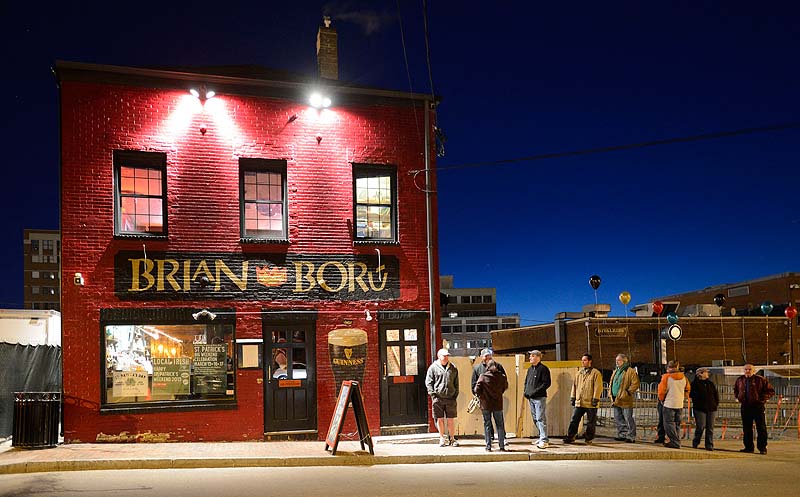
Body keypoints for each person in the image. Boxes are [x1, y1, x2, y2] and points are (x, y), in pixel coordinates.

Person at [733, 363, 775, 454]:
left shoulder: (760, 380)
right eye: (746, 369)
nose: (747, 371)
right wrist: (738, 397)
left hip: (758, 406)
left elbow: (770, 391)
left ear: (754, 371)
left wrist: (761, 399)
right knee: (747, 428)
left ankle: (762, 448)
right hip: (745, 406)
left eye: (749, 369)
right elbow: (736, 390)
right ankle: (748, 447)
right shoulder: (740, 380)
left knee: (761, 428)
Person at [563, 353, 603, 445]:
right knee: (574, 420)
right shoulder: (579, 373)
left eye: (584, 360)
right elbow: (575, 385)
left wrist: (595, 399)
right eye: (582, 360)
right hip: (580, 402)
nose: (583, 362)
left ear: (590, 361)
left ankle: (589, 438)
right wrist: (573, 397)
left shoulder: (596, 373)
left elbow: (598, 386)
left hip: (590, 402)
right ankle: (571, 436)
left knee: (591, 422)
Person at [425, 348, 460, 447]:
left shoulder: (453, 368)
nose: (446, 357)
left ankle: (452, 438)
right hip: (438, 398)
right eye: (444, 356)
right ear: (439, 356)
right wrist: (433, 395)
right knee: (439, 419)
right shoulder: (433, 368)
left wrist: (454, 395)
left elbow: (456, 383)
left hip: (450, 398)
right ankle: (441, 438)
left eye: (447, 356)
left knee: (450, 419)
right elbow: (429, 382)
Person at [474, 359, 509, 451]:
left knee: (487, 424)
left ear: (487, 367)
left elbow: (476, 389)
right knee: (500, 425)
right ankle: (501, 446)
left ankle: (488, 446)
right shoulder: (501, 377)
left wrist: (482, 395)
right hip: (497, 403)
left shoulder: (483, 376)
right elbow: (505, 386)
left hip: (485, 404)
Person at [658, 360, 690, 449]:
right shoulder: (684, 377)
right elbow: (687, 389)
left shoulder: (666, 377)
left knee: (668, 423)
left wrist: (662, 400)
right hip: (679, 404)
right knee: (676, 423)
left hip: (669, 404)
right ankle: (676, 440)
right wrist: (682, 397)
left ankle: (675, 441)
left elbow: (661, 391)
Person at [609, 353, 640, 443]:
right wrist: (610, 393)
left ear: (624, 361)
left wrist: (628, 392)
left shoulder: (630, 371)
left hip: (625, 399)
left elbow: (635, 383)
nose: (617, 362)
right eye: (616, 360)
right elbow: (612, 382)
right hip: (615, 398)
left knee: (628, 418)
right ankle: (622, 434)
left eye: (619, 360)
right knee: (618, 417)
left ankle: (631, 436)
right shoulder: (616, 371)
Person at [523, 349, 551, 449]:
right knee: (535, 418)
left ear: (538, 357)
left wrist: (534, 392)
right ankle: (541, 436)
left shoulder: (543, 369)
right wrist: (525, 391)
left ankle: (544, 440)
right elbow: (526, 381)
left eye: (532, 356)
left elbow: (546, 383)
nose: (530, 357)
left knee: (540, 418)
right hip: (531, 398)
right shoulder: (530, 369)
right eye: (530, 356)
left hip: (539, 398)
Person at [690, 366, 719, 451]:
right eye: (706, 372)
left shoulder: (710, 383)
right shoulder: (695, 384)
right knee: (701, 426)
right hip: (699, 408)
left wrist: (715, 404)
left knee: (710, 427)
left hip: (711, 408)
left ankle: (709, 444)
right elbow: (692, 395)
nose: (708, 374)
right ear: (700, 374)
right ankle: (696, 441)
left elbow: (715, 394)